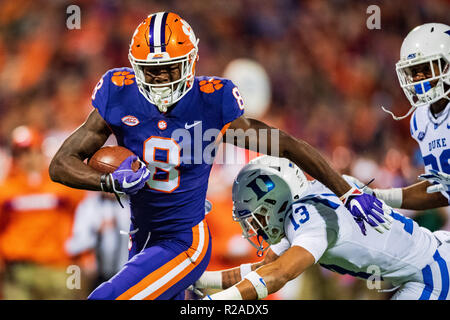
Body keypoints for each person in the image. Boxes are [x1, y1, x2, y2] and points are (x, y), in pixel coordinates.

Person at [48, 11, 391, 300]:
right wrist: (109, 180)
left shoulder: (211, 102)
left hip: (183, 241)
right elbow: (61, 164)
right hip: (142, 237)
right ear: (136, 67)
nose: (161, 80)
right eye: (152, 71)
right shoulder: (118, 93)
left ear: (191, 62)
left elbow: (285, 144)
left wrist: (347, 192)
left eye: (170, 69)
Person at [195, 155, 450, 300]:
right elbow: (265, 268)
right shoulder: (308, 203)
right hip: (430, 258)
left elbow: (279, 275)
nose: (256, 227)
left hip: (431, 275)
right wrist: (199, 280)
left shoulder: (312, 220)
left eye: (259, 216)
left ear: (276, 201)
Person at [346, 23, 450, 211]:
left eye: (426, 69)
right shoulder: (421, 119)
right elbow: (440, 192)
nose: (419, 79)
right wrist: (376, 196)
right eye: (413, 72)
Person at [0, 126, 85, 299]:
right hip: (18, 270)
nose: (28, 159)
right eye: (21, 154)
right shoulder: (6, 190)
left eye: (32, 151)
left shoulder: (63, 185)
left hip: (59, 268)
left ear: (42, 152)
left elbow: (84, 221)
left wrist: (83, 257)